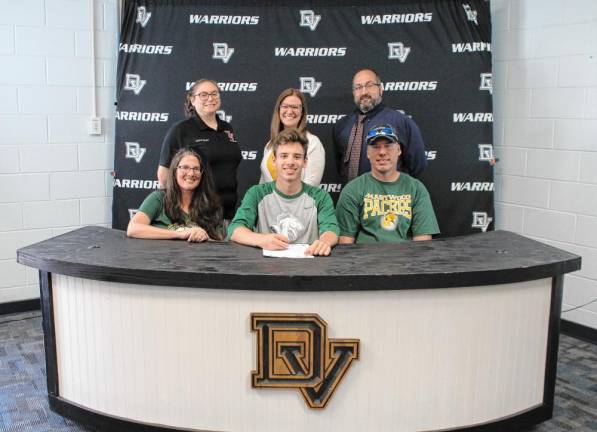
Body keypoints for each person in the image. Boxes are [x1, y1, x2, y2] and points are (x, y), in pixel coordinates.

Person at [228, 129, 338, 256]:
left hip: (308, 268)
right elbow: (235, 229)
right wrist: (261, 239)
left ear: (305, 162)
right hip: (266, 269)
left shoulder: (320, 197)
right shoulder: (256, 193)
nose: (290, 162)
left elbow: (331, 229)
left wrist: (324, 242)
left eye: (297, 157)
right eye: (284, 156)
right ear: (274, 161)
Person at [336, 125, 439, 244]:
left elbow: (423, 241)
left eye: (388, 146)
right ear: (368, 152)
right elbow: (345, 241)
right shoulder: (353, 189)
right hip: (364, 260)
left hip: (404, 260)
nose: (382, 152)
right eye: (375, 147)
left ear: (399, 150)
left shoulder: (416, 188)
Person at [157, 78, 241, 220]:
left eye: (214, 93)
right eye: (203, 95)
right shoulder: (181, 130)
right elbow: (164, 176)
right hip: (196, 213)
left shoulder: (227, 128)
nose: (210, 98)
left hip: (228, 212)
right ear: (192, 99)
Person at [333, 68, 427, 184]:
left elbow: (417, 166)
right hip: (351, 199)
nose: (364, 92)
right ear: (353, 93)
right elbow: (339, 165)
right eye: (358, 87)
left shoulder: (401, 122)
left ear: (381, 89)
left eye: (369, 85)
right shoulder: (342, 125)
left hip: (389, 198)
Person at [128, 149, 224, 241]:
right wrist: (180, 234)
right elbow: (133, 229)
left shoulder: (211, 205)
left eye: (196, 169)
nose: (191, 173)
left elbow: (218, 242)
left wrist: (204, 236)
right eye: (185, 167)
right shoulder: (159, 198)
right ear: (175, 171)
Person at [259, 88, 325, 186]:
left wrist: (284, 200)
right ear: (279, 109)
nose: (289, 111)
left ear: (302, 112)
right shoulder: (270, 144)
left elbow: (312, 184)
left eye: (294, 107)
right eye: (285, 106)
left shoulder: (312, 143)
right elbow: (263, 183)